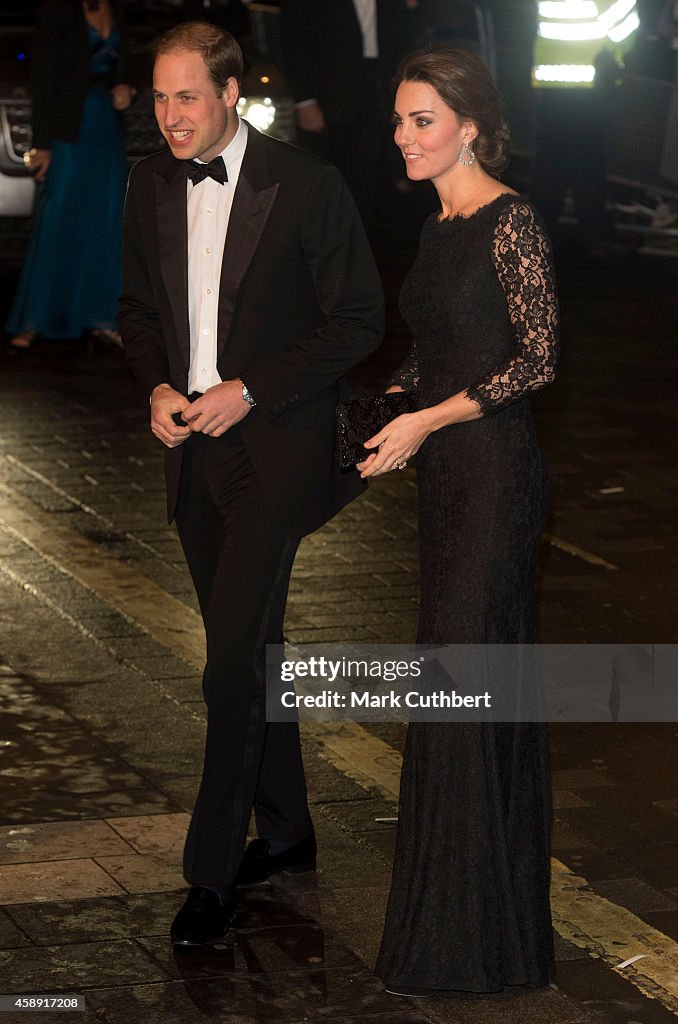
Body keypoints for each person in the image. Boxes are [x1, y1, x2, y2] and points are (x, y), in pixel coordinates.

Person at [118, 22, 384, 947]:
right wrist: (156, 381)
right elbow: (139, 309)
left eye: (186, 96)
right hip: (193, 455)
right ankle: (290, 827)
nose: (169, 116)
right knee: (255, 644)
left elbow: (360, 321)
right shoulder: (148, 181)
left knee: (228, 659)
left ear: (233, 94)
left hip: (276, 451)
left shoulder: (308, 186)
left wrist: (255, 389)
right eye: (158, 97)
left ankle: (211, 872)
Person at [357, 47, 559, 995]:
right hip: (447, 482)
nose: (404, 137)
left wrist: (428, 418)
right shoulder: (437, 224)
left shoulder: (509, 221)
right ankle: (473, 928)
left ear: (469, 126)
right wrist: (397, 395)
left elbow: (536, 360)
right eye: (399, 122)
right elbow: (433, 344)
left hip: (494, 478)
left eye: (422, 121)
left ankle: (475, 938)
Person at [6, 0, 131, 351]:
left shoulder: (117, 7)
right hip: (68, 132)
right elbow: (41, 77)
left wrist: (128, 88)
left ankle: (102, 317)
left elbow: (129, 62)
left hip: (106, 128)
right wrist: (42, 144)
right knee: (58, 218)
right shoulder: (58, 8)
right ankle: (37, 318)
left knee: (105, 223)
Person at [281, 0, 417, 225]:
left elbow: (403, 35)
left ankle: (368, 242)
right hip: (329, 87)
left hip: (381, 78)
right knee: (329, 170)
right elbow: (294, 38)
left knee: (371, 169)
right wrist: (303, 99)